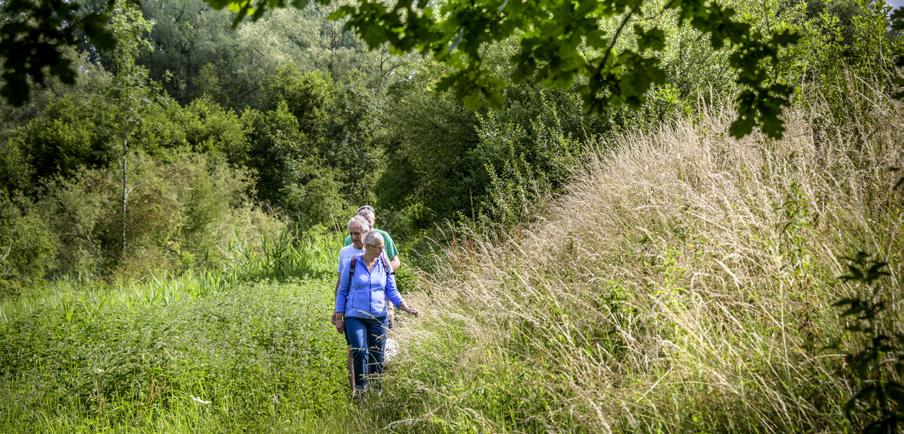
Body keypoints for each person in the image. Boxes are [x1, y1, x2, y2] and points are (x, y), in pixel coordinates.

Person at [333, 231, 418, 395]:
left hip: (379, 317)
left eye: (383, 247)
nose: (382, 250)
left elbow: (392, 290)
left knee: (377, 354)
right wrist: (338, 317)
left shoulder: (385, 265)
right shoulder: (352, 263)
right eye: (379, 247)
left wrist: (405, 307)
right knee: (359, 350)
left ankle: (376, 391)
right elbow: (342, 291)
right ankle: (360, 391)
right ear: (368, 247)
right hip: (354, 316)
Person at [344, 205, 400, 271]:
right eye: (363, 221)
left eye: (369, 221)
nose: (366, 225)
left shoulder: (383, 236)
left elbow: (396, 261)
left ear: (374, 221)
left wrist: (382, 272)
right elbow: (345, 263)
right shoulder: (350, 239)